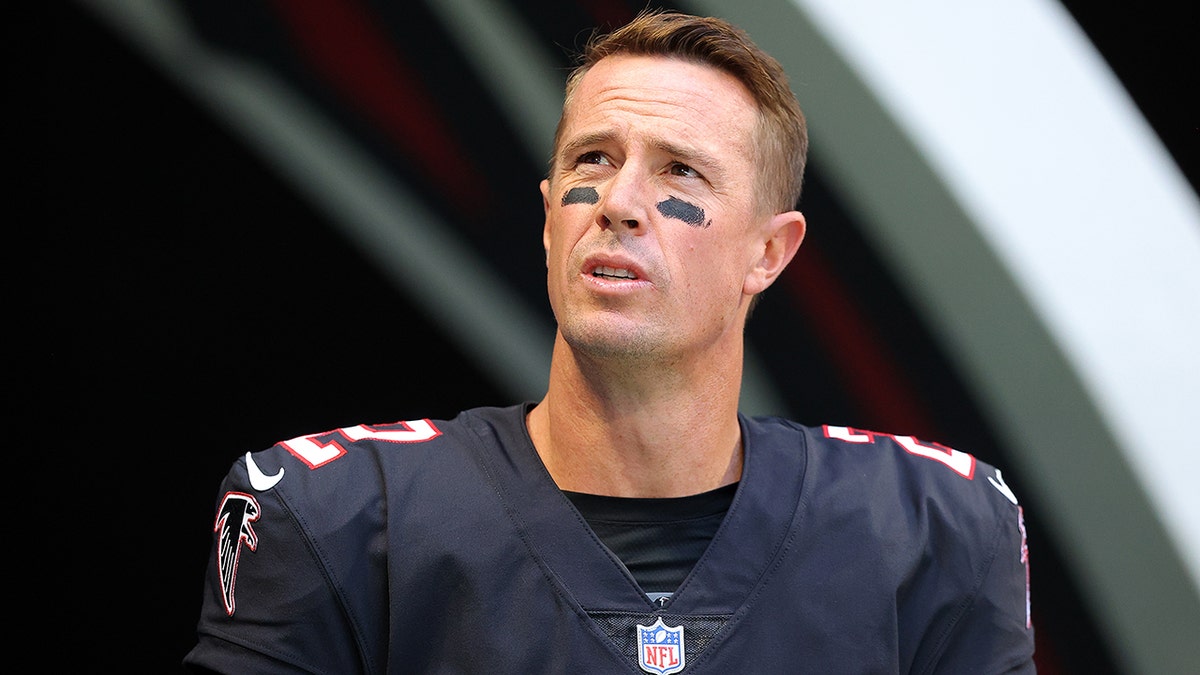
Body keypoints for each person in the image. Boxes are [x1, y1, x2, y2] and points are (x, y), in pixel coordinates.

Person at [185, 9, 1035, 674]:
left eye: (680, 171)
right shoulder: (333, 516)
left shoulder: (933, 529)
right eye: (593, 158)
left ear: (769, 253)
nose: (619, 201)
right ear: (551, 217)